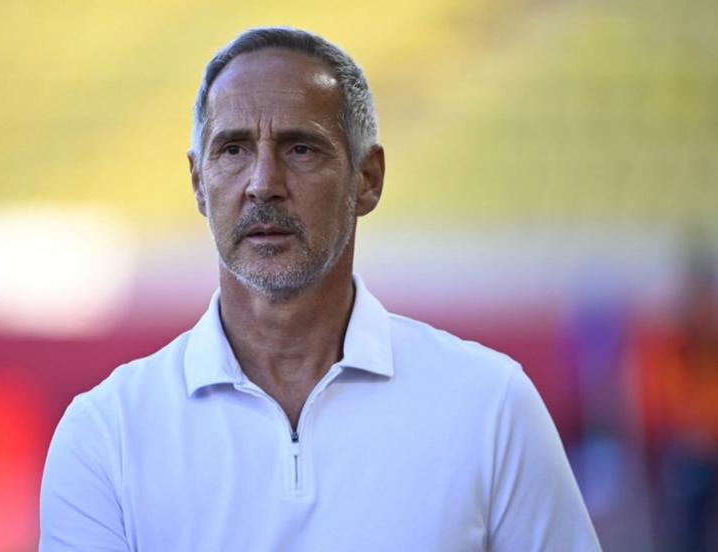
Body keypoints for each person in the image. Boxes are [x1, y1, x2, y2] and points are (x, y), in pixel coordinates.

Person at [40, 27, 600, 551]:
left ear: (368, 179)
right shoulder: (105, 433)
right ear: (198, 184)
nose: (263, 183)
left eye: (300, 149)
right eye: (233, 149)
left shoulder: (492, 405)